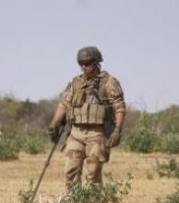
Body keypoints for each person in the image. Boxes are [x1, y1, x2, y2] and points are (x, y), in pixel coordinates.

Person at [47, 46, 126, 187]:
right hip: (76, 132)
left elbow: (119, 107)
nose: (84, 67)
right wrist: (54, 124)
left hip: (97, 133)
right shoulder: (75, 82)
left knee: (92, 171)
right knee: (71, 170)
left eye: (87, 63)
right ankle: (73, 202)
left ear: (96, 63)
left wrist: (117, 130)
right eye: (81, 64)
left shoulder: (109, 82)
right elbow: (63, 105)